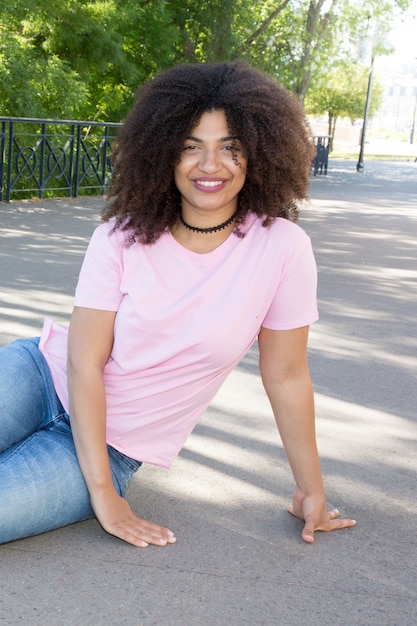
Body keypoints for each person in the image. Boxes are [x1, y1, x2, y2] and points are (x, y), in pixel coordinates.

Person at [0, 60, 356, 547]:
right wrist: (102, 495)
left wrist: (310, 490)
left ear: (258, 155)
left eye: (230, 148)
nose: (210, 165)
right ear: (163, 153)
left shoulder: (282, 248)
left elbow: (287, 375)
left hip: (114, 445)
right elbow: (84, 362)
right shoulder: (119, 238)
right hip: (38, 378)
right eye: (191, 147)